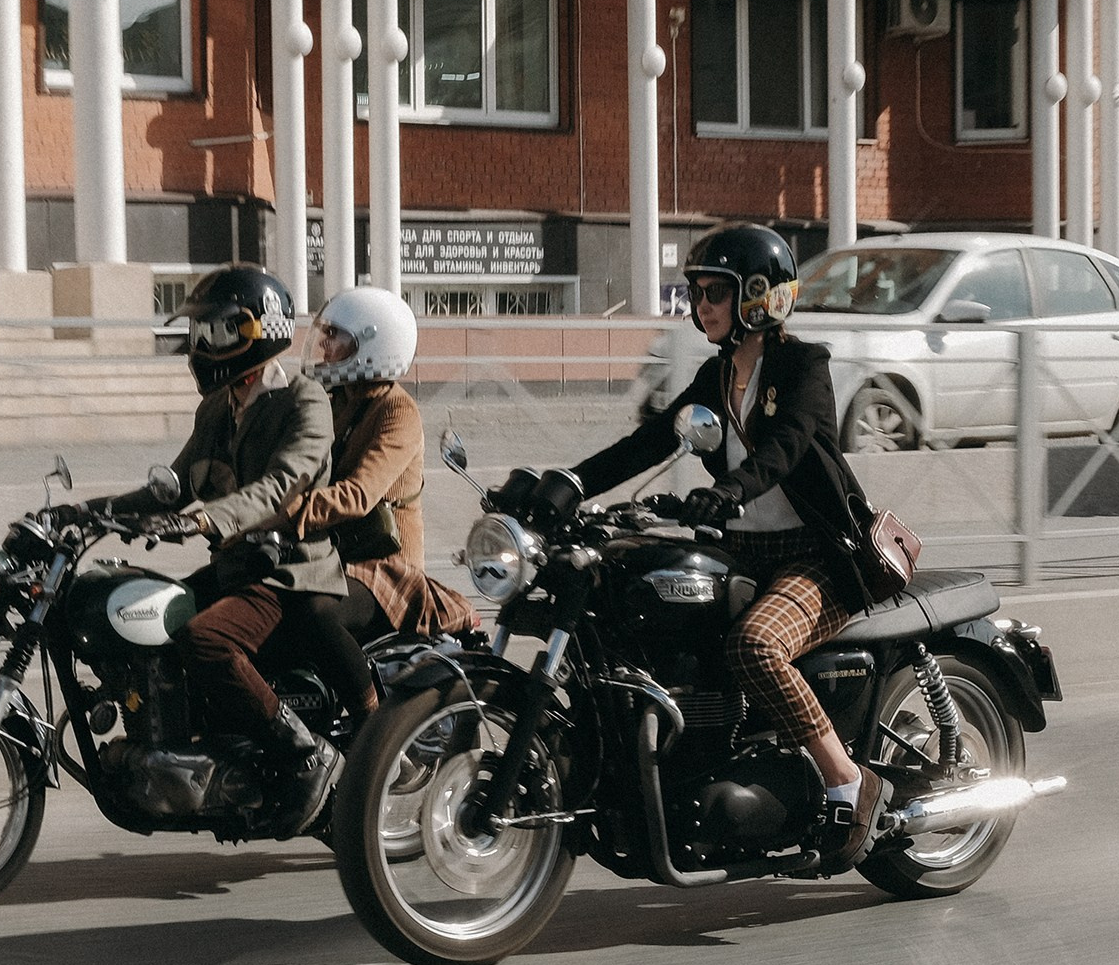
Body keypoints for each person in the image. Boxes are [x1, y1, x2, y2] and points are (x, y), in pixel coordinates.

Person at [509, 224, 887, 873]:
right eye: (696, 292)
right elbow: (651, 441)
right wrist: (567, 485)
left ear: (760, 297)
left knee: (754, 646)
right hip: (743, 553)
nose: (700, 306)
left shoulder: (804, 366)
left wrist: (731, 489)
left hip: (816, 557)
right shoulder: (716, 378)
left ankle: (849, 783)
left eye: (715, 291)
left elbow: (789, 444)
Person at [112, 264, 343, 837]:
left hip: (291, 570)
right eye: (199, 335)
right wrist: (94, 511)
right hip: (238, 565)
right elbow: (176, 481)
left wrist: (210, 518)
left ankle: (303, 750)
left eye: (216, 333)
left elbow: (280, 485)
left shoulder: (304, 402)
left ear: (257, 333)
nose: (202, 347)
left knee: (206, 638)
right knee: (150, 615)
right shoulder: (217, 408)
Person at [280, 287, 476, 727]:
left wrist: (287, 512)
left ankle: (375, 725)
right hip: (334, 554)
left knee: (314, 609)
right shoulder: (337, 401)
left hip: (386, 568)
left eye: (337, 337)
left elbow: (358, 495)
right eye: (326, 335)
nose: (326, 346)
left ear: (373, 346)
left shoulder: (397, 410)